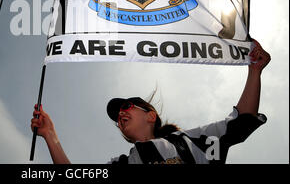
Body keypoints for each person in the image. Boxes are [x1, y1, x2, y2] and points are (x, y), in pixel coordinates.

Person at [31, 39, 271, 164]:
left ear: (150, 115)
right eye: (116, 118)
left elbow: (240, 124)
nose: (120, 116)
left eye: (125, 108)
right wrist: (50, 135)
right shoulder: (124, 163)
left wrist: (255, 72)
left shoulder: (192, 142)